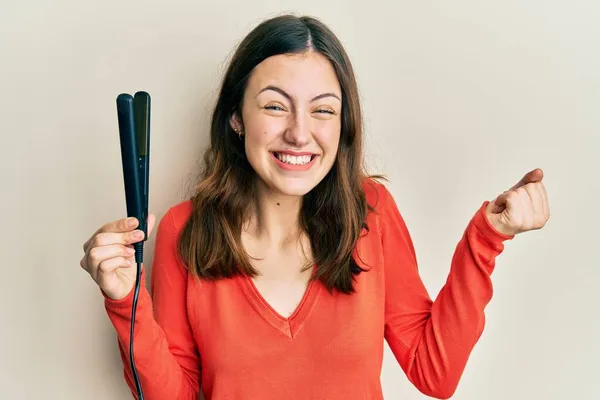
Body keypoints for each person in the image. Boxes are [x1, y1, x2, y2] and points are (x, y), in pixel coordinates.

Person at [80, 14, 550, 400]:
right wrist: (126, 301)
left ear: (342, 124)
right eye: (274, 107)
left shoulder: (372, 212)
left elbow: (435, 372)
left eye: (323, 110)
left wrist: (488, 237)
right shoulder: (186, 229)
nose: (300, 133)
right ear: (235, 119)